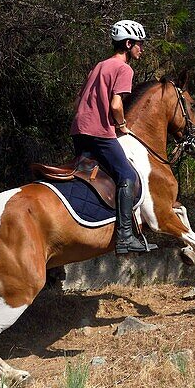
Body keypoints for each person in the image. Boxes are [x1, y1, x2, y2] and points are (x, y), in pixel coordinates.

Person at [70, 19, 156, 254]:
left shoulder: (98, 66)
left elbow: (78, 102)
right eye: (139, 44)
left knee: (91, 176)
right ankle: (125, 236)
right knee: (126, 174)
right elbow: (116, 105)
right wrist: (122, 125)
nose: (141, 48)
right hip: (99, 132)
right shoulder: (124, 69)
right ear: (128, 44)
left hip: (79, 130)